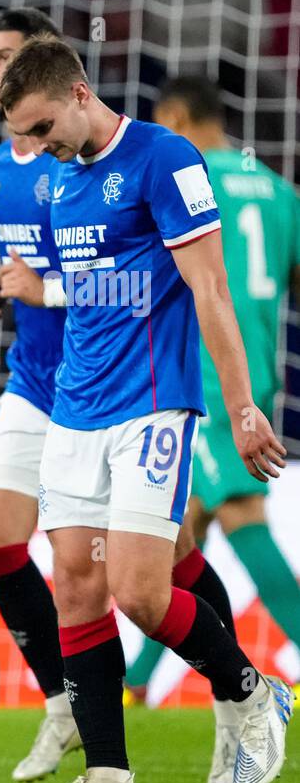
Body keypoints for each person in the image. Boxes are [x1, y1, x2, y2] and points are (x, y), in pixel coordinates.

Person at [0, 37, 291, 783]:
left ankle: (253, 692)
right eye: (24, 136)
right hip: (75, 408)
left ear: (79, 91)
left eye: (41, 127)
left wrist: (241, 407)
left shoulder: (166, 159)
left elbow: (212, 292)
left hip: (153, 406)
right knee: (76, 591)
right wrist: (31, 293)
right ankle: (108, 782)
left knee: (138, 591)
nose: (37, 147)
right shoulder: (62, 183)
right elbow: (94, 289)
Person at [125, 79, 300, 747]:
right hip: (261, 367)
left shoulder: (188, 179)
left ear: (173, 118)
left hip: (205, 370)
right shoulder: (280, 190)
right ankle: (136, 680)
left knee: (237, 512)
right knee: (183, 522)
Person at [0, 7, 75, 782]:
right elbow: (23, 265)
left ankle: (238, 686)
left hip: (104, 382)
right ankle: (62, 705)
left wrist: (48, 287)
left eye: (5, 57)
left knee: (156, 570)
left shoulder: (81, 157)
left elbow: (118, 275)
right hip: (31, 380)